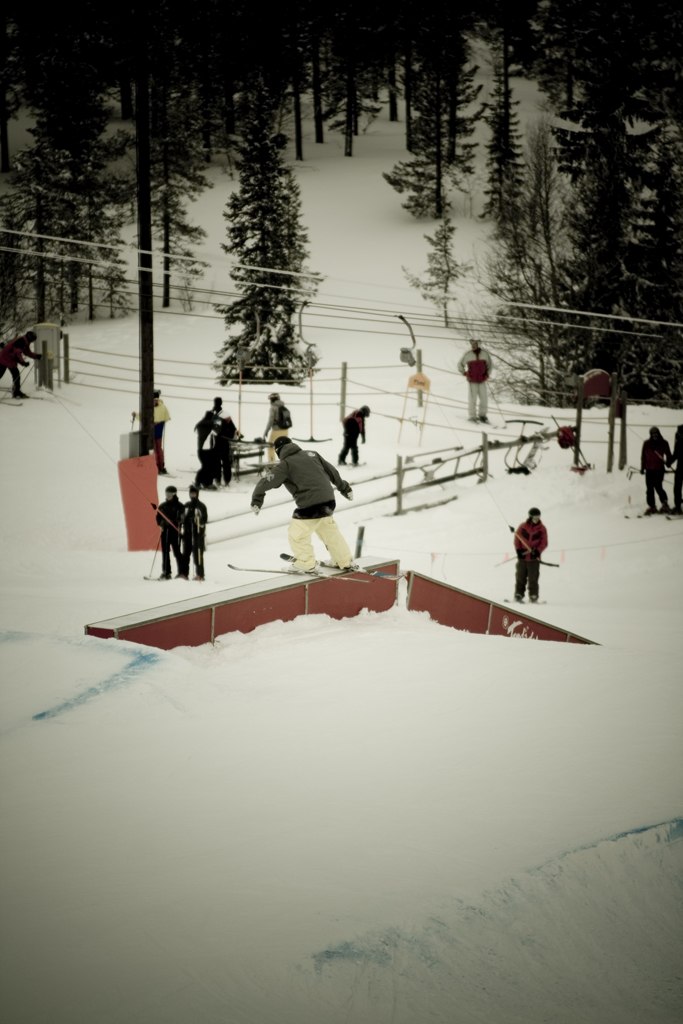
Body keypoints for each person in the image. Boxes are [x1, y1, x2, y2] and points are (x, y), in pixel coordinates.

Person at [250, 436, 355, 572]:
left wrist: (256, 500)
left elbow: (266, 481)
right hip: (329, 500)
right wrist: (345, 489)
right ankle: (344, 560)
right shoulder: (312, 454)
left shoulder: (285, 464)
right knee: (328, 530)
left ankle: (305, 563)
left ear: (278, 451)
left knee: (297, 533)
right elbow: (332, 472)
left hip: (310, 505)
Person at [513, 507, 548, 603]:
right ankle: (518, 594)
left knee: (533, 578)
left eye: (538, 517)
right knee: (520, 576)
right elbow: (517, 539)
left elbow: (544, 542)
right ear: (530, 517)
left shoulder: (542, 529)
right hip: (523, 557)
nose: (537, 519)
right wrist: (519, 551)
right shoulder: (523, 527)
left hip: (534, 558)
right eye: (535, 517)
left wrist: (537, 551)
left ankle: (533, 595)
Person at [457, 338, 493, 423]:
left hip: (482, 380)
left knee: (484, 399)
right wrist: (465, 373)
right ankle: (472, 416)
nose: (473, 346)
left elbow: (490, 365)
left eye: (475, 344)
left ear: (478, 345)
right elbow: (460, 365)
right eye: (472, 344)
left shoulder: (485, 354)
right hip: (472, 380)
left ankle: (482, 415)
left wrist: (487, 374)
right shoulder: (468, 354)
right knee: (472, 399)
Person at [155, 485, 186, 579]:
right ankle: (166, 572)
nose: (168, 495)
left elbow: (183, 518)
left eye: (170, 494)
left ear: (174, 494)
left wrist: (178, 521)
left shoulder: (180, 506)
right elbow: (158, 517)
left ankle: (182, 572)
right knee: (165, 552)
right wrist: (161, 523)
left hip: (175, 532)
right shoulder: (162, 506)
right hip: (165, 532)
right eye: (166, 493)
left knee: (177, 552)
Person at [211, 397, 243, 487]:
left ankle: (218, 480)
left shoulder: (214, 413)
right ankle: (227, 481)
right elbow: (233, 428)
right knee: (226, 462)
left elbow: (212, 429)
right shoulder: (225, 414)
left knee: (217, 462)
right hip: (225, 442)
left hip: (217, 441)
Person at [0, 330, 42, 398]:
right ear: (30, 338)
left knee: (15, 375)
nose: (32, 341)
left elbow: (27, 352)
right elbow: (17, 352)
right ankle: (16, 392)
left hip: (9, 358)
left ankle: (16, 392)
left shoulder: (25, 341)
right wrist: (23, 362)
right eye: (33, 340)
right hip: (5, 358)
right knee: (12, 375)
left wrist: (36, 356)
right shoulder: (21, 341)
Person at [640, 427, 672, 515]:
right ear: (650, 434)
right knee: (649, 489)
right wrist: (642, 468)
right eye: (653, 434)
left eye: (656, 433)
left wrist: (668, 463)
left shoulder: (664, 443)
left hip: (659, 469)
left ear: (659, 433)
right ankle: (652, 506)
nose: (654, 435)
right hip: (649, 469)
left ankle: (664, 503)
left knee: (658, 486)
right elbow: (643, 457)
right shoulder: (646, 444)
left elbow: (668, 455)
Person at [182, 485, 208, 581]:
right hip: (188, 534)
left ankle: (200, 575)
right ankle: (184, 574)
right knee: (185, 554)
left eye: (194, 493)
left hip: (197, 535)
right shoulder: (186, 505)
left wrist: (198, 520)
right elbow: (182, 517)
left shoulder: (201, 506)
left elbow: (204, 520)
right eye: (191, 493)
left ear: (197, 494)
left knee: (197, 555)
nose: (192, 495)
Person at [194, 403, 220, 490]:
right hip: (206, 450)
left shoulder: (202, 423)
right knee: (208, 467)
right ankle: (201, 482)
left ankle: (205, 482)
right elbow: (217, 430)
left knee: (207, 467)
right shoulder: (209, 425)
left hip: (202, 450)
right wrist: (216, 419)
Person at [262, 392, 290, 463]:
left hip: (277, 431)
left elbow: (271, 420)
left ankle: (272, 464)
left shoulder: (273, 407)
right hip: (285, 430)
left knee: (270, 447)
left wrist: (266, 431)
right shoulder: (283, 406)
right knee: (283, 448)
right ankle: (285, 464)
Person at [152, 390, 171, 475]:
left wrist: (157, 422)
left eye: (156, 400)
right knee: (157, 449)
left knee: (157, 449)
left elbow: (166, 418)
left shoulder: (161, 407)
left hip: (156, 432)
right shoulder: (162, 407)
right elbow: (167, 418)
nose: (155, 401)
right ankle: (159, 466)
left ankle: (159, 467)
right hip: (156, 432)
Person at [668, 424, 683, 515]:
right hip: (680, 469)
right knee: (677, 488)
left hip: (680, 469)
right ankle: (678, 507)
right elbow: (675, 455)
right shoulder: (678, 443)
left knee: (677, 488)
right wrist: (669, 462)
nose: (679, 434)